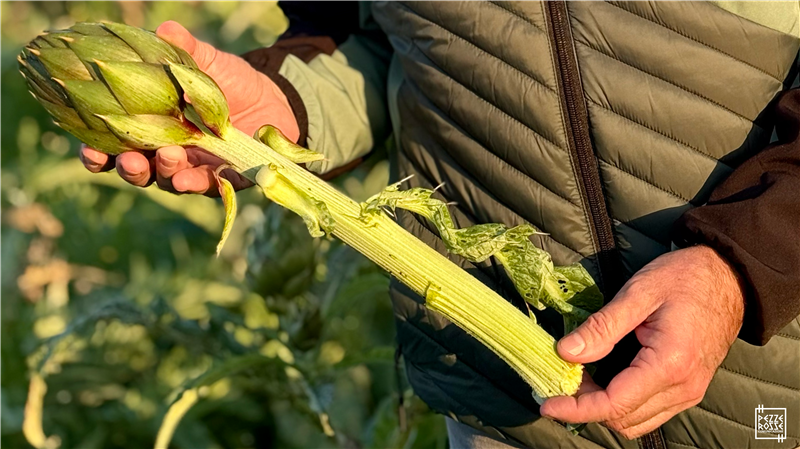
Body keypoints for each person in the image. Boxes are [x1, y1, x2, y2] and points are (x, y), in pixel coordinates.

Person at [79, 2, 800, 448]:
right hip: (503, 404)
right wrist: (287, 106)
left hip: (767, 399)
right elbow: (380, 40)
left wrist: (738, 268)